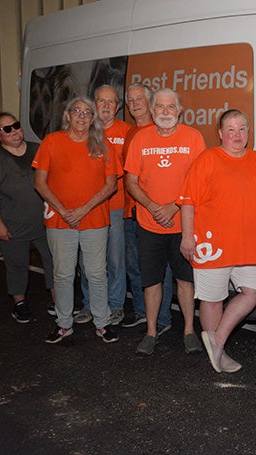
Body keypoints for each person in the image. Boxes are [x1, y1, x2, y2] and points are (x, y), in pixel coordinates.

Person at [180, 109, 256, 373]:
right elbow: (188, 201)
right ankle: (218, 354)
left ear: (248, 132)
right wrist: (187, 236)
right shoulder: (207, 159)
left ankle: (218, 339)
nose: (237, 135)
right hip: (212, 244)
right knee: (212, 299)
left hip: (250, 245)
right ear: (221, 134)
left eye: (242, 129)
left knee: (255, 291)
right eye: (231, 130)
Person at [33, 96, 121, 344]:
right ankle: (63, 324)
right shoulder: (52, 142)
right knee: (63, 274)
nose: (82, 116)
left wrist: (82, 210)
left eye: (87, 112)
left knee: (96, 274)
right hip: (60, 221)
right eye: (77, 111)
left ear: (93, 118)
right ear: (68, 115)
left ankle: (102, 323)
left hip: (94, 219)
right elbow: (39, 182)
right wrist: (63, 210)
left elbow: (111, 185)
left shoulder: (102, 144)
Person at [125, 88, 205, 356]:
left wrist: (173, 206)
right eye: (160, 107)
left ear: (180, 110)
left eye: (171, 107)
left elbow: (200, 182)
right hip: (149, 225)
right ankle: (150, 332)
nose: (165, 112)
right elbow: (131, 181)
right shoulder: (140, 139)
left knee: (185, 280)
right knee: (151, 281)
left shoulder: (193, 138)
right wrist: (151, 206)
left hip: (183, 226)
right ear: (151, 110)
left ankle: (189, 331)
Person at [0, 111, 55, 323]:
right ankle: (19, 303)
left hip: (43, 222)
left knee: (53, 261)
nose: (14, 132)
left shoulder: (37, 149)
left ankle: (58, 302)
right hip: (11, 224)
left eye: (16, 125)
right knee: (17, 265)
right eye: (7, 129)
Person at [120, 83, 175, 335]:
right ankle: (143, 312)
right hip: (132, 212)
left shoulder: (163, 131)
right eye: (130, 100)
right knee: (136, 266)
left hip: (160, 215)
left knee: (160, 270)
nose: (134, 104)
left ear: (150, 103)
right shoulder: (132, 133)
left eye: (139, 99)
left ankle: (162, 318)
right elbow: (129, 177)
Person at [75, 85, 132, 326]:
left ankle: (116, 306)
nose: (106, 106)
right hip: (88, 209)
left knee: (116, 260)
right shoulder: (82, 132)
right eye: (101, 101)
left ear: (118, 107)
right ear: (94, 104)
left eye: (111, 102)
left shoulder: (127, 132)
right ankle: (91, 305)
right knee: (88, 260)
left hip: (116, 207)